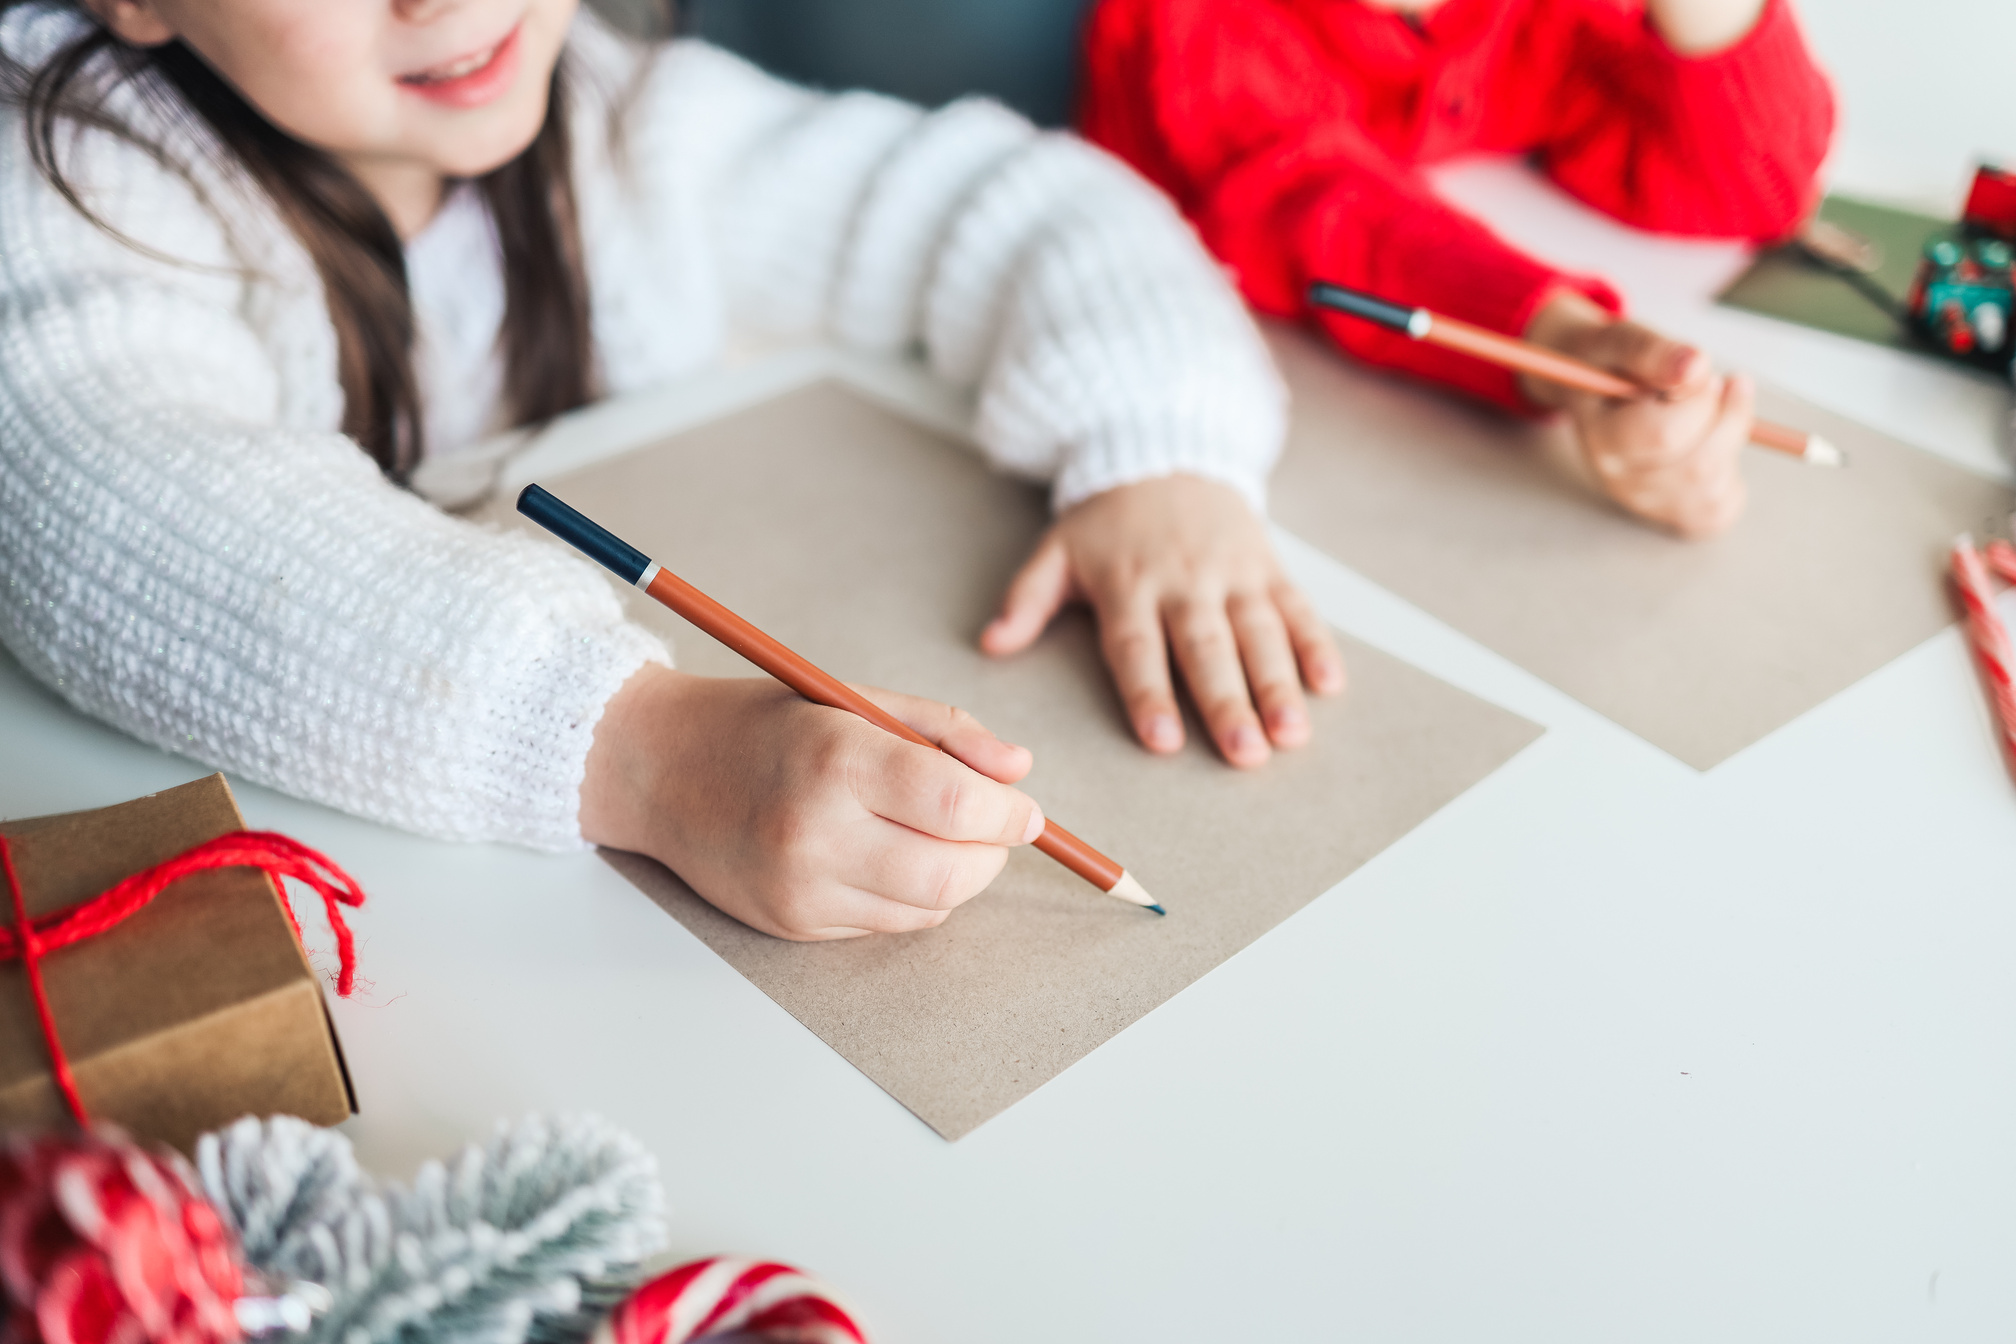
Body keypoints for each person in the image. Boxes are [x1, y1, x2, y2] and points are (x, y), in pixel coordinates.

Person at [0, 0, 1343, 941]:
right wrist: (643, 754)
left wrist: (1158, 455)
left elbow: (1013, 201)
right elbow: (101, 497)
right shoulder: (58, 173)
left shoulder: (627, 112)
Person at [1079, 0, 1837, 538]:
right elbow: (1322, 208)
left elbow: (1755, 186)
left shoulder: (1547, 18)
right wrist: (1564, 341)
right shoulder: (1190, 22)